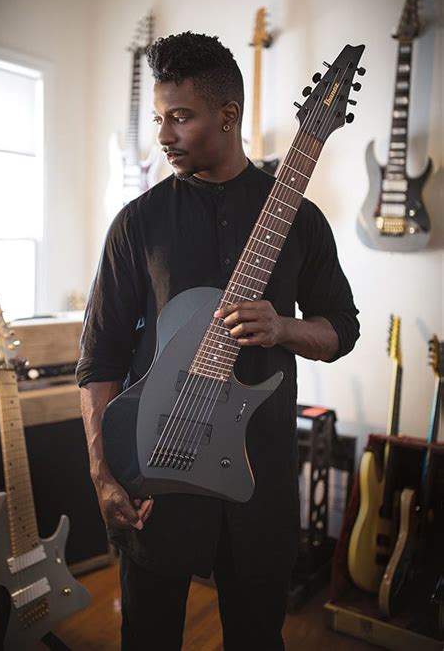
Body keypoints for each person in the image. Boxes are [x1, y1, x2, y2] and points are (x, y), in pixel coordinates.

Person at [76, 32, 359, 651]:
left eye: (180, 117)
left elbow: (343, 327)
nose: (164, 135)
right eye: (159, 118)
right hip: (157, 471)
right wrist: (102, 471)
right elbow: (98, 359)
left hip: (259, 476)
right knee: (147, 636)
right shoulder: (137, 224)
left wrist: (284, 328)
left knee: (257, 637)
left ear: (228, 115)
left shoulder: (299, 219)